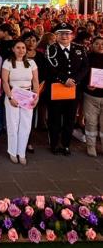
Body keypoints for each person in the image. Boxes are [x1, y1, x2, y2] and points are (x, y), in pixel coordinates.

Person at [45, 22, 89, 155]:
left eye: (67, 33)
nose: (64, 36)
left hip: (73, 90)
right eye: (61, 33)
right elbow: (50, 68)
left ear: (72, 35)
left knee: (70, 119)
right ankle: (54, 144)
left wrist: (75, 80)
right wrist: (64, 79)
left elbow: (85, 67)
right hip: (57, 90)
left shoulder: (80, 49)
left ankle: (66, 145)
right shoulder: (51, 49)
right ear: (56, 35)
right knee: (55, 118)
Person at [2, 40, 39, 165]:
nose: (21, 50)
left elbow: (35, 81)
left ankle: (21, 152)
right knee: (13, 124)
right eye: (18, 47)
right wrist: (10, 97)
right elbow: (5, 82)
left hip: (28, 95)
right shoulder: (7, 63)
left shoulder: (31, 63)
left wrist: (36, 96)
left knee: (26, 125)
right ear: (13, 49)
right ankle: (12, 151)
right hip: (13, 94)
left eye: (23, 47)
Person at [83, 36, 103, 156]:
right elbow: (82, 74)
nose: (100, 46)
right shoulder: (87, 58)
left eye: (102, 44)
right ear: (92, 45)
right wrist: (86, 85)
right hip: (90, 96)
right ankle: (91, 146)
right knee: (90, 122)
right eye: (97, 44)